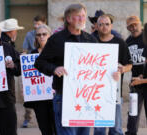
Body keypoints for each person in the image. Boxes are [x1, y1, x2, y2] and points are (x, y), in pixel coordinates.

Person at [34, 3, 120, 135]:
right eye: (78, 16)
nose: (82, 19)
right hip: (63, 97)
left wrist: (113, 73)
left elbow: (98, 68)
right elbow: (40, 62)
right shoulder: (56, 40)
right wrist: (54, 68)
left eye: (83, 16)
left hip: (86, 99)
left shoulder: (91, 40)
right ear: (68, 19)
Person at [93, 14, 132, 135]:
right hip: (95, 92)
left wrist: (122, 69)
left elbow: (129, 65)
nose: (104, 27)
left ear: (111, 26)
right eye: (100, 24)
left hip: (114, 91)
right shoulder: (91, 42)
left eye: (106, 24)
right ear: (96, 26)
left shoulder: (120, 43)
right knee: (99, 129)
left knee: (116, 129)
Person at [24, 24, 56, 135]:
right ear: (36, 37)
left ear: (49, 35)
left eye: (44, 34)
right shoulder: (31, 54)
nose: (41, 36)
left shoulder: (56, 52)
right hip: (39, 99)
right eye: (39, 35)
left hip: (54, 96)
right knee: (44, 128)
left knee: (57, 128)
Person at [125, 16, 147, 135]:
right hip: (135, 83)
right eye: (131, 26)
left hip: (146, 80)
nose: (134, 27)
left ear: (140, 24)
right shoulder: (127, 42)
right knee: (133, 113)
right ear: (128, 28)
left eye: (135, 24)